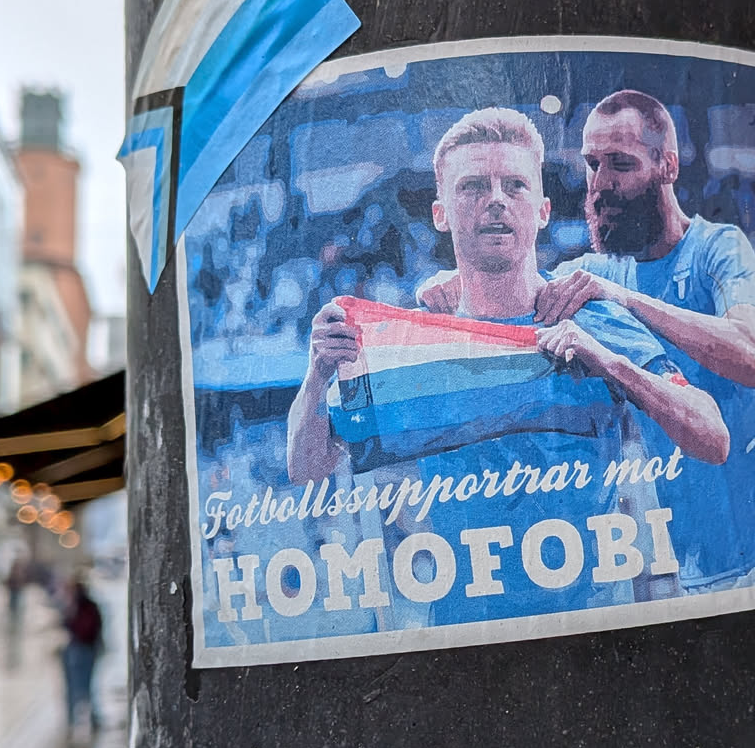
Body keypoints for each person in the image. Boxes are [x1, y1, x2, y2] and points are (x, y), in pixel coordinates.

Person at [287, 107, 728, 621]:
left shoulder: (597, 323)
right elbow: (307, 469)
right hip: (465, 634)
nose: (496, 199)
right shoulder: (415, 339)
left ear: (541, 210)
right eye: (474, 186)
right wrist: (317, 375)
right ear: (441, 212)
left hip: (590, 629)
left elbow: (712, 437)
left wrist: (610, 363)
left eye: (514, 185)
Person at [420, 89, 755, 590]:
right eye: (592, 166)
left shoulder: (719, 248)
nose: (600, 184)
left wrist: (625, 299)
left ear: (666, 165)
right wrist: (445, 284)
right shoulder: (598, 271)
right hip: (693, 554)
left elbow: (750, 358)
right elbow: (514, 275)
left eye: (619, 165)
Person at [60, 577, 104, 733]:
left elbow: (83, 627)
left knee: (80, 686)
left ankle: (80, 719)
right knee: (83, 686)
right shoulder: (84, 606)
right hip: (82, 649)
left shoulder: (81, 606)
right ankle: (82, 718)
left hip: (81, 649)